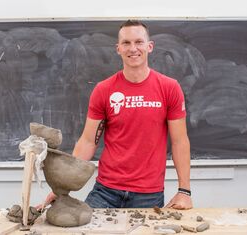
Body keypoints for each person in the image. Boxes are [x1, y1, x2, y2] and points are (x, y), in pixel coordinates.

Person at [43, 19, 192, 209]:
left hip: (148, 194)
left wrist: (184, 191)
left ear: (150, 46)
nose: (133, 48)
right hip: (105, 191)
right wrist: (61, 189)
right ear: (118, 49)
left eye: (138, 42)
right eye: (126, 43)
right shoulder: (103, 90)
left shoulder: (169, 88)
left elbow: (180, 141)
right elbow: (88, 141)